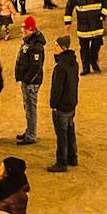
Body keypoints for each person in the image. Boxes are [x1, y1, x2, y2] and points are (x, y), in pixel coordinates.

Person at [64, 0, 107, 74]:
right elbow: (69, 7)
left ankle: (94, 62)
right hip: (84, 27)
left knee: (96, 46)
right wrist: (67, 22)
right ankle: (85, 67)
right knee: (84, 49)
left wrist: (103, 15)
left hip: (97, 25)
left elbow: (105, 3)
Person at [47, 35, 79, 172]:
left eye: (56, 46)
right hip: (71, 104)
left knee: (62, 135)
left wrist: (53, 104)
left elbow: (57, 89)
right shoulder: (74, 63)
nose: (54, 48)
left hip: (62, 106)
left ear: (63, 48)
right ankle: (73, 157)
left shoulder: (60, 67)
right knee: (70, 131)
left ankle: (62, 162)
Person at [13, 16, 45, 145]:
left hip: (31, 82)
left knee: (31, 109)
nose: (23, 31)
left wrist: (27, 80)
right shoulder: (29, 41)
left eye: (26, 29)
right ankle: (29, 131)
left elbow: (35, 67)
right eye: (23, 28)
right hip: (27, 81)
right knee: (28, 108)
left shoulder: (35, 46)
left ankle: (31, 135)